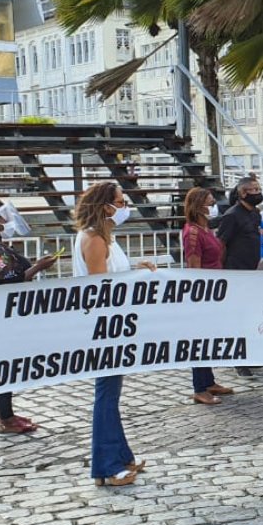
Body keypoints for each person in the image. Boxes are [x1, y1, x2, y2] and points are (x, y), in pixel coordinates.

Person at [73, 182, 155, 487]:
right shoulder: (94, 239)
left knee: (112, 392)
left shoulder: (105, 237)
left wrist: (137, 268)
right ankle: (106, 466)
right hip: (106, 326)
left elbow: (112, 272)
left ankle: (121, 455)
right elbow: (100, 287)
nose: (124, 207)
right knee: (106, 394)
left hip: (115, 323)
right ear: (105, 206)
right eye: (120, 202)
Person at [0, 190, 57, 433]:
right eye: (4, 217)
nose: (8, 221)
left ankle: (2, 413)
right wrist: (39, 267)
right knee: (3, 365)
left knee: (2, 363)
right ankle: (5, 417)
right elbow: (10, 281)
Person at [181, 187, 234, 405]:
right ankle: (199, 387)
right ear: (198, 206)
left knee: (209, 337)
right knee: (200, 339)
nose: (214, 207)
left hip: (215, 288)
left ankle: (209, 380)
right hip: (204, 292)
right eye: (210, 203)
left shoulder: (205, 229)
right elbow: (194, 266)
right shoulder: (192, 232)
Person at [219, 177, 263, 377]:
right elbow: (222, 243)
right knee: (237, 317)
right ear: (243, 193)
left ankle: (251, 354)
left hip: (252, 271)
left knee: (250, 316)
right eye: (253, 189)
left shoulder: (254, 213)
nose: (257, 192)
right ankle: (239, 361)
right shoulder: (231, 216)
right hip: (235, 272)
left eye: (258, 188)